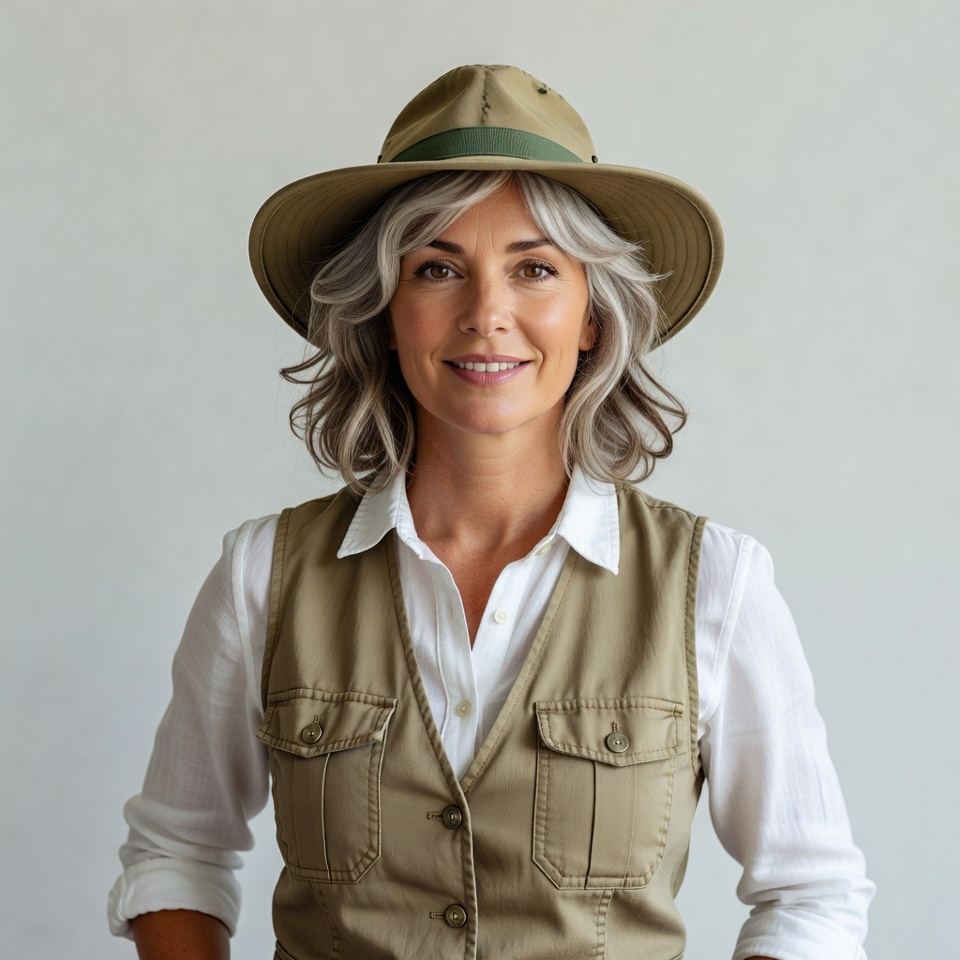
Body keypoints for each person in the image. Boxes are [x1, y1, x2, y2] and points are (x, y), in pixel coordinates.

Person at [108, 64, 874, 960]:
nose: (487, 315)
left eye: (535, 269)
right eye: (438, 268)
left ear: (592, 315)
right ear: (385, 312)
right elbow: (177, 854)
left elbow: (811, 895)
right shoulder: (261, 575)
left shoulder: (715, 583)